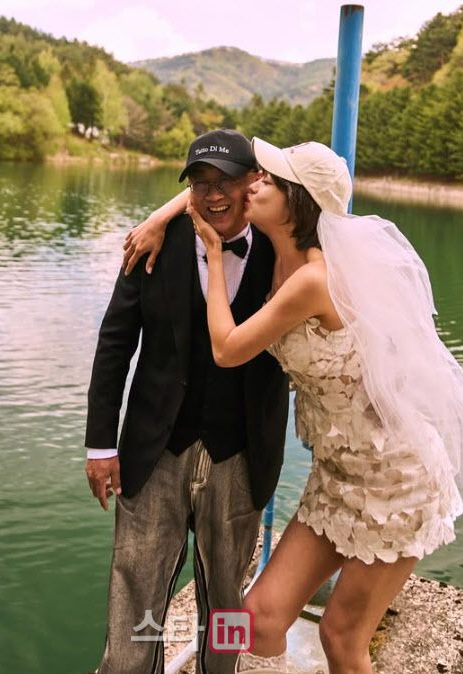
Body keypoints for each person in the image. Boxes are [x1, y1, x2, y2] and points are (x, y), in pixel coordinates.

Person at [126, 138, 463, 674]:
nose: (253, 183)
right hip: (335, 476)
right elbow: (209, 186)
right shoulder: (273, 254)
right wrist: (159, 216)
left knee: (341, 637)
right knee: (258, 617)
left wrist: (214, 255)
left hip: (392, 480)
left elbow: (227, 348)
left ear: (297, 200)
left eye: (269, 180)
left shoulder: (313, 277)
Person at [84, 128, 289, 674]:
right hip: (155, 449)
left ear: (254, 183)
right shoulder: (152, 242)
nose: (213, 194)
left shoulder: (282, 249)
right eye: (199, 183)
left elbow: (308, 175)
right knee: (135, 589)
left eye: (225, 181)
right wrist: (100, 444)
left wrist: (167, 207)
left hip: (241, 454)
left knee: (227, 597)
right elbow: (115, 342)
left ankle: (224, 669)